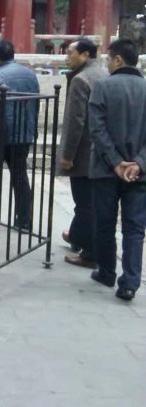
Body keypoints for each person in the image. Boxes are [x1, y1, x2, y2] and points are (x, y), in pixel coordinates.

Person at [88, 39, 146, 301]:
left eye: (109, 60)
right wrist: (139, 163)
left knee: (105, 224)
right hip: (139, 173)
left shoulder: (103, 86)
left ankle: (107, 272)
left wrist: (115, 162)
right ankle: (130, 283)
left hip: (105, 169)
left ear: (119, 60)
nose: (108, 64)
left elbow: (97, 129)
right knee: (135, 228)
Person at [0, 39, 39, 230]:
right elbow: (35, 105)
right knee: (20, 176)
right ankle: (24, 220)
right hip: (23, 133)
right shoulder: (30, 74)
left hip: (1, 135)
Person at [58, 39, 105, 267]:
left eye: (70, 53)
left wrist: (67, 155)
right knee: (93, 202)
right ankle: (77, 235)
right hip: (101, 149)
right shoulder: (103, 73)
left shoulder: (80, 79)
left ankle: (89, 253)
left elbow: (76, 122)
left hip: (84, 151)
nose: (67, 57)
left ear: (85, 55)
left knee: (84, 203)